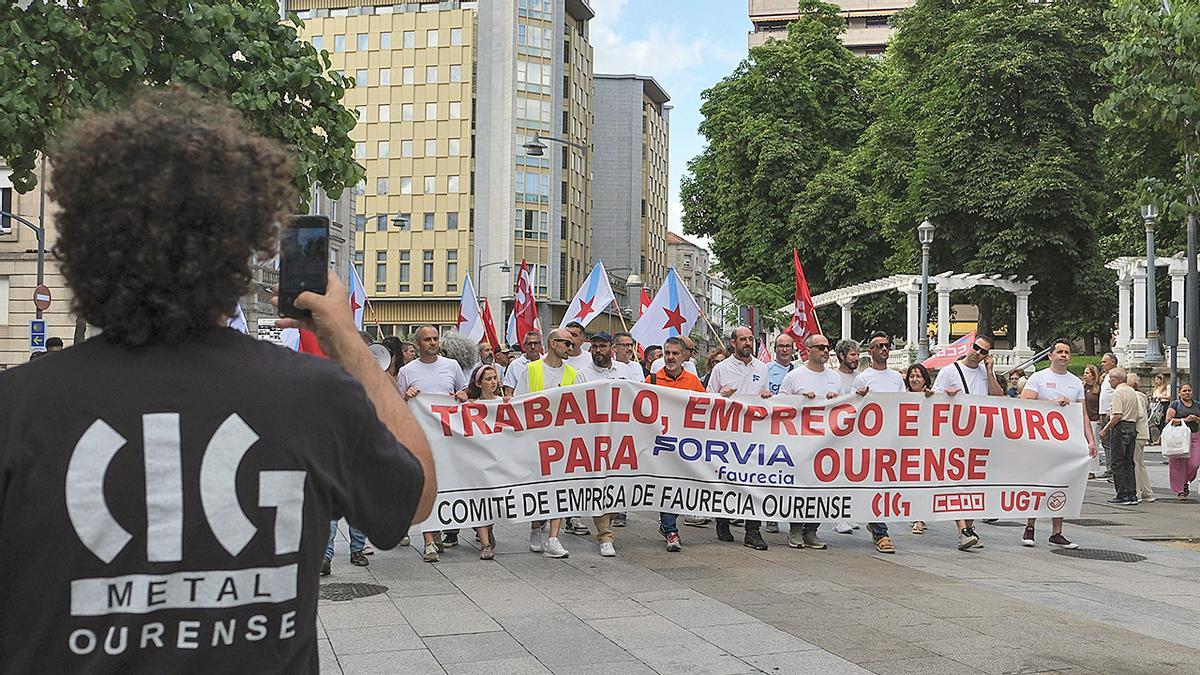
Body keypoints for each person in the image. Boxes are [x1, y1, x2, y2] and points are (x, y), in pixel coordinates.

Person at [0, 89, 435, 672]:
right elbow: (415, 500)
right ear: (238, 248)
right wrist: (346, 341)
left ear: (85, 245)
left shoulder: (17, 407)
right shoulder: (313, 397)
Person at [513, 328, 590, 558]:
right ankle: (537, 526)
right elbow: (519, 402)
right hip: (536, 439)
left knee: (560, 487)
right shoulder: (532, 369)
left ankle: (553, 538)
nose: (571, 347)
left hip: (561, 440)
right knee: (538, 489)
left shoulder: (572, 374)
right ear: (554, 344)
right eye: (566, 343)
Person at [397, 325, 468, 562]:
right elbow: (397, 405)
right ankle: (429, 542)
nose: (432, 343)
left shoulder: (452, 366)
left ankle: (438, 531)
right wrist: (407, 397)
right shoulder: (407, 371)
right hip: (422, 442)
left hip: (448, 441)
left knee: (445, 487)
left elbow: (465, 391)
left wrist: (462, 395)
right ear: (418, 344)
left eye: (435, 338)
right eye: (427, 339)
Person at [1020, 339, 1097, 548]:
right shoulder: (1038, 378)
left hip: (1066, 442)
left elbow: (1083, 414)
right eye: (1060, 352)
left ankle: (1057, 531)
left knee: (1062, 483)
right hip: (1041, 440)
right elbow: (1023, 403)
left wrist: (1090, 440)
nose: (1064, 355)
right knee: (1037, 482)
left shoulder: (1075, 382)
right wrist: (1052, 405)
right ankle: (1030, 526)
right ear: (1050, 355)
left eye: (1067, 352)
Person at [930, 334, 1002, 550]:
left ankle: (968, 529)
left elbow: (997, 396)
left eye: (983, 352)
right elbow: (932, 399)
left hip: (979, 436)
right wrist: (946, 394)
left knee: (975, 484)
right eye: (976, 348)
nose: (978, 354)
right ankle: (962, 529)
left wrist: (990, 372)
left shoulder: (984, 372)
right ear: (969, 346)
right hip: (955, 435)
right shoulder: (949, 371)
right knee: (956, 483)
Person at [706, 326, 770, 550]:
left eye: (750, 339)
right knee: (727, 480)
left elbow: (768, 396)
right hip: (727, 435)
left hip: (754, 434)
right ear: (733, 343)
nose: (748, 343)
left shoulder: (762, 368)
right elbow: (707, 398)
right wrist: (720, 395)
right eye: (743, 339)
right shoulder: (721, 369)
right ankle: (722, 520)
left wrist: (767, 396)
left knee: (754, 481)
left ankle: (753, 530)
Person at [778, 334, 840, 550]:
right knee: (800, 486)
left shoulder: (835, 377)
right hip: (800, 442)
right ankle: (795, 528)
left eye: (827, 347)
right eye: (820, 347)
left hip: (827, 442)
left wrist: (839, 399)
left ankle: (812, 530)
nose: (825, 350)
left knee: (821, 488)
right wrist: (800, 399)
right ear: (809, 350)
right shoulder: (795, 376)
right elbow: (780, 406)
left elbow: (847, 407)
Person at [646, 336, 707, 552]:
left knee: (680, 486)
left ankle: (666, 524)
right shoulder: (651, 380)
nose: (670, 357)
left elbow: (706, 408)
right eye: (667, 353)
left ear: (683, 356)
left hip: (685, 444)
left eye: (675, 353)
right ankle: (671, 529)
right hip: (660, 444)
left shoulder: (692, 381)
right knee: (667, 485)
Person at [575, 331, 633, 545]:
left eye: (602, 346)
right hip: (596, 437)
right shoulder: (583, 374)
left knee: (617, 488)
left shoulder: (626, 371)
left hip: (622, 437)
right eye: (594, 347)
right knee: (599, 484)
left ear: (612, 348)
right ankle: (605, 536)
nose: (598, 351)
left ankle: (611, 518)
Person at [850, 331, 903, 554]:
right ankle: (881, 532)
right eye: (879, 345)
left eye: (886, 345)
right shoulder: (863, 378)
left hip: (892, 439)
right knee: (875, 484)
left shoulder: (896, 377)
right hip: (870, 440)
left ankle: (875, 521)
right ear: (870, 351)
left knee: (886, 485)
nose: (884, 349)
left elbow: (906, 405)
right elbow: (851, 408)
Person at [464, 365, 502, 560]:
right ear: (478, 383)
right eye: (488, 379)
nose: (493, 382)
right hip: (478, 458)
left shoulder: (503, 403)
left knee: (495, 499)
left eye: (494, 378)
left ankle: (488, 527)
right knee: (480, 498)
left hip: (498, 458)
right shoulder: (472, 404)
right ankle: (485, 543)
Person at [829, 338, 862, 536]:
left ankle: (847, 513)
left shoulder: (861, 377)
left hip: (855, 434)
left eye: (857, 355)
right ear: (842, 356)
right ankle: (837, 518)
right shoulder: (833, 377)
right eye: (852, 355)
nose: (856, 358)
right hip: (836, 434)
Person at [1099, 368, 1140, 505]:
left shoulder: (1118, 392)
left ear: (1117, 379)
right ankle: (1132, 493)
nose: (1109, 381)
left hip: (1120, 428)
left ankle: (1122, 493)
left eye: (1110, 378)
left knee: (1117, 462)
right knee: (1129, 462)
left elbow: (1117, 415)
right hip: (1132, 426)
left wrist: (1105, 429)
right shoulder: (1132, 391)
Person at [904, 363, 934, 537]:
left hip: (926, 445)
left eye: (918, 376)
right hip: (906, 445)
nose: (914, 379)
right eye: (912, 376)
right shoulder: (901, 397)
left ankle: (919, 518)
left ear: (925, 380)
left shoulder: (932, 397)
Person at [1164, 382, 1200, 499]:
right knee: (1177, 464)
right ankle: (1181, 488)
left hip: (1194, 437)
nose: (1187, 393)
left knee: (1194, 464)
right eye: (1184, 391)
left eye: (1189, 390)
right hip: (1179, 437)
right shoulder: (1175, 404)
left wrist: (1197, 419)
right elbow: (1168, 420)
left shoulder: (1197, 405)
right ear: (1179, 393)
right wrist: (1186, 420)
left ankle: (1185, 480)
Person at [1127, 372, 1156, 503]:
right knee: (1140, 462)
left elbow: (1138, 414)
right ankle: (1147, 491)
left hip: (1137, 432)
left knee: (1135, 462)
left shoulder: (1134, 396)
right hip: (1143, 432)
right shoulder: (1142, 396)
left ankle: (1137, 491)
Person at [502, 330, 543, 395]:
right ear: (523, 346)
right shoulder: (515, 365)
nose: (532, 347)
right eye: (529, 344)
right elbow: (508, 391)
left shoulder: (547, 363)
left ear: (541, 345)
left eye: (535, 343)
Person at [1097, 352, 1118, 476]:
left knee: (1111, 441)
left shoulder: (1115, 376)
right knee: (1106, 442)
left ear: (1113, 362)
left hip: (1109, 413)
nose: (1102, 364)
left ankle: (1112, 467)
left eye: (1105, 362)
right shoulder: (1107, 376)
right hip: (1103, 412)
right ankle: (1110, 466)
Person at [1082, 364, 1103, 479]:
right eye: (1085, 373)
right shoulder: (1083, 388)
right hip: (1084, 419)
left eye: (1087, 373)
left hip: (1094, 419)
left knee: (1093, 443)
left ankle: (1092, 469)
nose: (1085, 375)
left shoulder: (1098, 389)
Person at [1150, 373, 1170, 445]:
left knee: (1162, 422)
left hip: (1164, 404)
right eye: (1155, 380)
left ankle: (1160, 439)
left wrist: (1161, 397)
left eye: (1158, 380)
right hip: (1157, 405)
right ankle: (1161, 438)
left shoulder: (1167, 387)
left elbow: (1169, 396)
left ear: (1162, 380)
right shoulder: (1156, 388)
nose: (1156, 382)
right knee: (1157, 422)